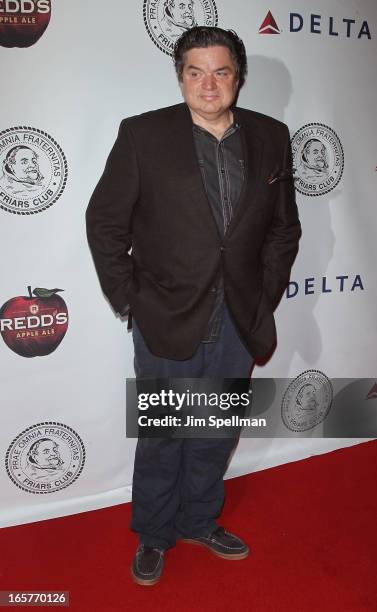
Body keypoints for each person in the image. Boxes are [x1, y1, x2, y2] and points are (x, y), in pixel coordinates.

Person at [86, 26, 301, 586]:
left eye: (221, 71)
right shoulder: (143, 135)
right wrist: (131, 298)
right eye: (195, 71)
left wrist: (264, 292)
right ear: (180, 76)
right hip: (166, 313)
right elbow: (105, 222)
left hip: (239, 317)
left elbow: (284, 229)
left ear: (239, 76)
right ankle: (154, 534)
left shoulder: (273, 136)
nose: (209, 84)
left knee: (215, 430)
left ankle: (199, 519)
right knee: (164, 432)